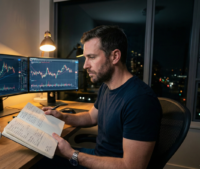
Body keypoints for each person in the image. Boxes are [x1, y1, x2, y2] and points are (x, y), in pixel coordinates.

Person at [32, 25, 162, 169]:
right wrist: (62, 116)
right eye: (85, 58)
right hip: (98, 156)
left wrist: (71, 154)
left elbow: (131, 166)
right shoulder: (106, 87)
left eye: (91, 57)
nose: (86, 65)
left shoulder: (140, 100)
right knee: (36, 157)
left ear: (115, 56)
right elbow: (91, 117)